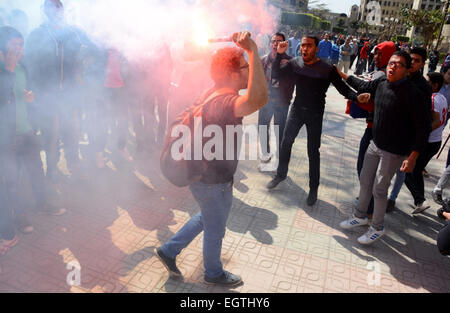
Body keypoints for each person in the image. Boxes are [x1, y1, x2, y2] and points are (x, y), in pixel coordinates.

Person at [155, 31, 268, 286]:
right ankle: (214, 273)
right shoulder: (224, 102)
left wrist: (246, 55)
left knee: (207, 217)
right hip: (211, 182)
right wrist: (252, 50)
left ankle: (169, 250)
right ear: (231, 73)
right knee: (215, 229)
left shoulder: (213, 92)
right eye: (245, 67)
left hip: (205, 178)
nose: (249, 70)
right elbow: (259, 98)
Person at [339, 51, 431, 245]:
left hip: (394, 150)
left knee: (380, 189)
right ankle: (360, 215)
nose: (392, 67)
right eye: (391, 63)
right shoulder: (381, 84)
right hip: (375, 143)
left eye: (398, 65)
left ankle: (377, 227)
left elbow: (423, 128)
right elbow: (363, 86)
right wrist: (342, 75)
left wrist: (413, 157)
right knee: (365, 180)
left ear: (407, 70)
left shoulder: (414, 94)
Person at [266, 35, 361, 206]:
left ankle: (313, 188)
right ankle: (280, 175)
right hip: (296, 109)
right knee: (286, 143)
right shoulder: (295, 63)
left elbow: (343, 89)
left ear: (317, 48)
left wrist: (357, 97)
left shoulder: (327, 69)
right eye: (303, 46)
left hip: (315, 113)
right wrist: (279, 55)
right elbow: (275, 74)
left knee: (312, 151)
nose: (304, 49)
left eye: (309, 46)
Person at [0, 26, 66, 240]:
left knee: (36, 169)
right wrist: (8, 69)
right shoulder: (4, 69)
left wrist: (30, 98)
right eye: (14, 45)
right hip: (6, 134)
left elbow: (25, 92)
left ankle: (42, 203)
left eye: (21, 45)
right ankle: (18, 216)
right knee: (12, 179)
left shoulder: (23, 67)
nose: (19, 50)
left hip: (26, 128)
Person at [25, 0, 85, 180]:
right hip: (47, 94)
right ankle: (51, 169)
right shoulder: (37, 34)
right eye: (51, 6)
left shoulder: (72, 33)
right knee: (51, 134)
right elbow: (30, 64)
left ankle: (74, 165)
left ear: (62, 9)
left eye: (58, 5)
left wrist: (79, 76)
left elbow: (81, 57)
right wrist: (37, 91)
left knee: (72, 131)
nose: (55, 10)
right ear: (44, 10)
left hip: (69, 93)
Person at [338, 41, 397, 216]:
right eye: (375, 54)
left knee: (366, 171)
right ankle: (367, 204)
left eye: (380, 54)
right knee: (367, 171)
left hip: (378, 132)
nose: (376, 57)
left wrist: (341, 75)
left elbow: (365, 88)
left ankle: (369, 207)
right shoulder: (382, 75)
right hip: (373, 128)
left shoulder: (386, 77)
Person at [385, 47, 433, 213]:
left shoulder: (423, 87)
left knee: (401, 171)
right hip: (390, 132)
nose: (412, 63)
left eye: (417, 61)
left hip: (409, 136)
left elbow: (425, 119)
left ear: (423, 64)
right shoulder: (398, 75)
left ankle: (392, 198)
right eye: (410, 59)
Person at [258, 32, 294, 172]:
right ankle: (265, 157)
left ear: (284, 44)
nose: (275, 44)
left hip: (281, 103)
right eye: (273, 41)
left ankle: (279, 163)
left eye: (279, 41)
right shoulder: (263, 60)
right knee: (262, 129)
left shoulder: (290, 62)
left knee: (279, 132)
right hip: (265, 101)